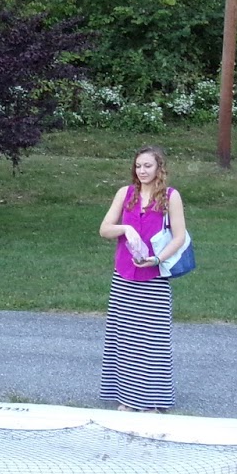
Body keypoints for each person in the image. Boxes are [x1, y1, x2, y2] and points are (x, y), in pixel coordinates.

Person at [97, 145, 187, 411]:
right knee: (125, 337)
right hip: (124, 275)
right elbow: (104, 229)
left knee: (152, 340)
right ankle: (127, 397)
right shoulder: (125, 194)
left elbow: (180, 236)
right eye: (138, 166)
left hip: (154, 276)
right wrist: (125, 228)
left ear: (159, 167)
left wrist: (157, 259)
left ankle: (150, 400)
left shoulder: (170, 196)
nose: (142, 171)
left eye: (148, 165)